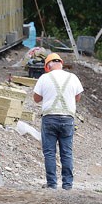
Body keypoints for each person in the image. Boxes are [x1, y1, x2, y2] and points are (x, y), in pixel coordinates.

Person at [32, 53, 83, 190]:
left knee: (49, 153)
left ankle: (52, 184)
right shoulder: (73, 78)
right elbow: (77, 97)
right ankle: (67, 185)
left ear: (48, 66)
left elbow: (36, 98)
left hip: (49, 118)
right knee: (66, 152)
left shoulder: (44, 78)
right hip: (68, 118)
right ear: (61, 64)